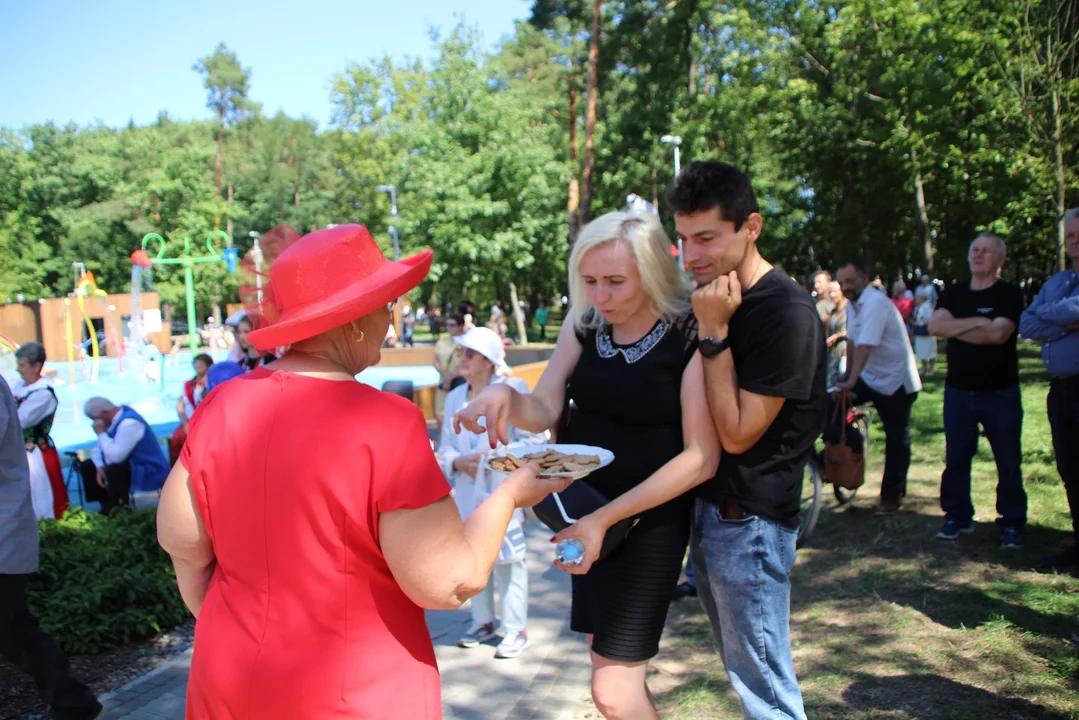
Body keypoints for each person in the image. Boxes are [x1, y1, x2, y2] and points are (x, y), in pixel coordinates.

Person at [155, 224, 569, 719]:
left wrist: (236, 625)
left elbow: (181, 539)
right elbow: (447, 580)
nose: (392, 323)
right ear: (352, 319)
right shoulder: (385, 424)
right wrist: (509, 496)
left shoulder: (220, 404)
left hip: (228, 680)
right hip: (355, 691)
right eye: (387, 306)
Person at [455, 210, 719, 719]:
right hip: (584, 513)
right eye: (591, 281)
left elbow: (700, 458)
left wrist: (603, 520)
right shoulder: (585, 325)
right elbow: (545, 408)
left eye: (616, 281)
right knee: (606, 666)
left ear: (652, 273)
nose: (601, 296)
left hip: (647, 523)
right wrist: (507, 395)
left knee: (612, 692)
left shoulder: (687, 331)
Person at [669, 160, 825, 720]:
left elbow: (736, 434)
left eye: (706, 237)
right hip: (716, 517)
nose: (691, 254)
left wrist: (713, 334)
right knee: (749, 677)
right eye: (683, 239)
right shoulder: (717, 294)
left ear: (750, 226)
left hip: (751, 523)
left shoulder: (784, 310)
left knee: (766, 691)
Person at [438, 326, 547, 659]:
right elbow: (445, 448)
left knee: (509, 561)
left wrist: (495, 458)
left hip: (504, 491)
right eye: (462, 353)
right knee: (473, 558)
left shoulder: (513, 390)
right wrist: (459, 462)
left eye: (469, 354)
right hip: (470, 494)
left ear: (487, 361)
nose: (463, 360)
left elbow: (537, 441)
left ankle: (515, 629)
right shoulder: (457, 396)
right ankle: (481, 621)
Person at [1, 376, 102, 720]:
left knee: (17, 629)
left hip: (3, 534)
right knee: (18, 630)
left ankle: (73, 700)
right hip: (7, 532)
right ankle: (73, 700)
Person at [928, 233, 1026, 547]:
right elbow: (936, 327)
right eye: (975, 249)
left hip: (1001, 392)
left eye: (986, 251)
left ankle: (1012, 521)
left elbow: (998, 334)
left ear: (1000, 260)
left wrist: (959, 326)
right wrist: (979, 323)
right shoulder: (953, 292)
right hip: (958, 392)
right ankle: (957, 515)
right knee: (956, 457)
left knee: (1007, 460)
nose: (978, 255)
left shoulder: (1009, 294)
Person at [835, 262, 922, 514]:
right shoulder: (853, 303)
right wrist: (847, 376)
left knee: (896, 438)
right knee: (832, 404)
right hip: (871, 376)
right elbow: (851, 342)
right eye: (841, 282)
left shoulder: (875, 303)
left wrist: (851, 380)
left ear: (863, 278)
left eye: (849, 281)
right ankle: (839, 459)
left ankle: (892, 496)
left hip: (896, 381)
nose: (844, 287)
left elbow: (865, 346)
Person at [1020, 208, 1079, 569]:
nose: (1074, 241)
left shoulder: (1054, 292)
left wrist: (1052, 314)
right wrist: (1066, 324)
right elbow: (1028, 323)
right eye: (1070, 236)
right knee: (1070, 469)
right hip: (1060, 391)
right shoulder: (1057, 282)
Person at [79, 397, 170, 514]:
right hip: (129, 465)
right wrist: (99, 466)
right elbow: (99, 448)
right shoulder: (112, 423)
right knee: (88, 466)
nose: (95, 424)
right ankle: (105, 505)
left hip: (148, 469)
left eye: (95, 419)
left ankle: (120, 508)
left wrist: (101, 433)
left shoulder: (129, 423)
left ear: (105, 414)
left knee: (114, 469)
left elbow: (117, 457)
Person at [11, 342, 69, 519]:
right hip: (18, 451)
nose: (18, 370)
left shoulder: (43, 394)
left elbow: (19, 420)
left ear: (36, 366)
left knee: (40, 498)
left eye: (22, 365)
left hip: (35, 453)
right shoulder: (20, 387)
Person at [169, 354, 213, 466]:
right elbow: (180, 406)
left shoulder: (212, 383)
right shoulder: (188, 385)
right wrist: (185, 424)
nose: (198, 365)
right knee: (176, 440)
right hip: (190, 422)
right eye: (196, 362)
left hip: (207, 423)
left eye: (201, 362)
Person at [433, 313, 466, 423]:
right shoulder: (442, 341)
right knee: (440, 414)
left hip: (461, 382)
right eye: (447, 325)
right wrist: (445, 376)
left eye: (452, 325)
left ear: (461, 325)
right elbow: (435, 361)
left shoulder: (466, 342)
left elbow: (467, 362)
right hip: (444, 383)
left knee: (460, 416)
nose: (449, 327)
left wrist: (451, 377)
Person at [825, 281, 849, 385]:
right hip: (833, 352)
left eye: (835, 291)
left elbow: (855, 330)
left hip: (846, 352)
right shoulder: (833, 311)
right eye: (830, 292)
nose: (832, 295)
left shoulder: (849, 308)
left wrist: (837, 336)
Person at [912, 289, 937, 375]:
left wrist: (921, 323)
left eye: (917, 297)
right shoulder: (917, 307)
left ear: (922, 298)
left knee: (930, 351)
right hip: (919, 333)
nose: (916, 298)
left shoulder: (927, 306)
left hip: (928, 332)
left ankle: (931, 369)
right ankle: (924, 368)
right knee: (921, 351)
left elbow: (930, 319)